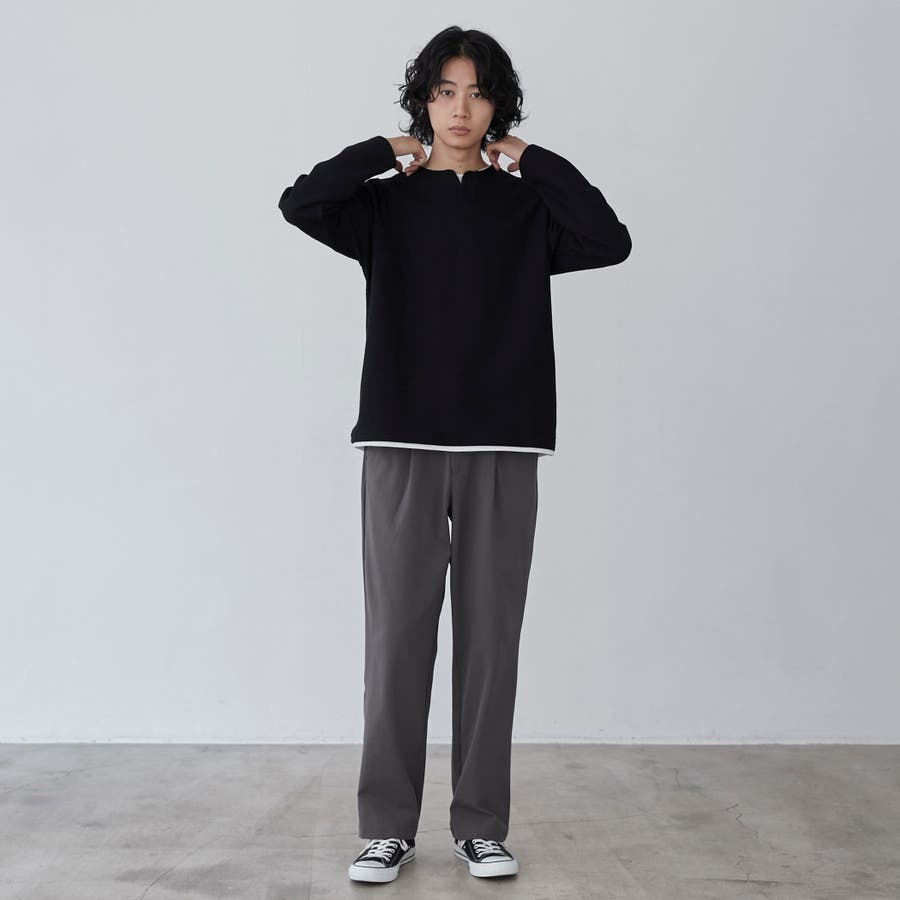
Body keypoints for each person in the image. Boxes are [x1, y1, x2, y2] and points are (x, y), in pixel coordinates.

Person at [278, 25, 632, 884]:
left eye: (476, 92)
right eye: (444, 91)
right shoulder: (383, 208)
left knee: (489, 645)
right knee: (397, 641)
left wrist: (534, 160)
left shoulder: (527, 209)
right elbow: (301, 201)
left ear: (498, 105)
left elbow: (610, 237)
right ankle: (385, 827)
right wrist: (381, 151)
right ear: (424, 102)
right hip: (400, 440)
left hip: (503, 443)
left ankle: (480, 825)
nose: (461, 108)